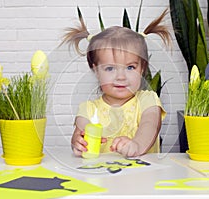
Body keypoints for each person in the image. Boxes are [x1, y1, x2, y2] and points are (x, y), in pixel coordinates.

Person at [61, 8, 171, 157]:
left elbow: (150, 126)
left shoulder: (148, 100)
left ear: (142, 68)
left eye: (130, 67)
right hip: (101, 178)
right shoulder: (88, 109)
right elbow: (80, 134)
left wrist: (137, 145)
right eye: (110, 68)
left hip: (144, 177)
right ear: (96, 70)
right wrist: (78, 142)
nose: (121, 77)